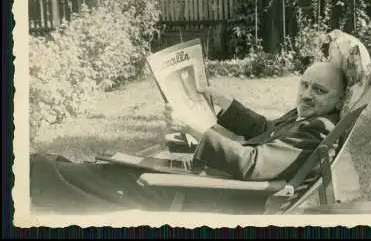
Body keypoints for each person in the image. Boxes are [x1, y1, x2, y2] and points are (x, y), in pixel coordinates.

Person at [29, 61, 347, 215]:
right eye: (305, 84)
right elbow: (267, 129)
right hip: (220, 177)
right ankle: (45, 170)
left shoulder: (318, 130)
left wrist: (194, 130)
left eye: (319, 90)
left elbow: (254, 165)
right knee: (117, 168)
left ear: (340, 98)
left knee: (121, 177)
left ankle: (37, 174)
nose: (306, 95)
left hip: (222, 194)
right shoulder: (308, 117)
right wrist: (227, 107)